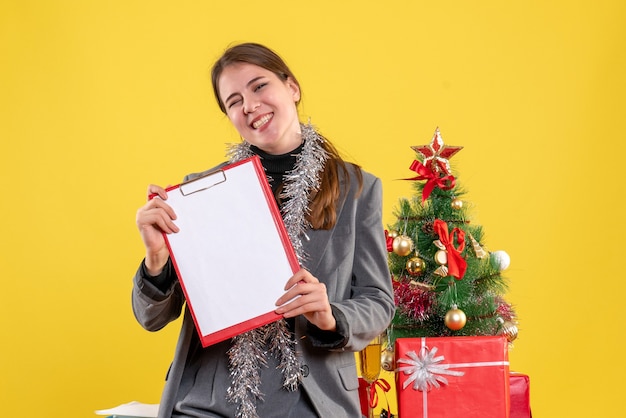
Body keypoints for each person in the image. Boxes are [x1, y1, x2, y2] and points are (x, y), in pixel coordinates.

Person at [132, 42, 395, 418]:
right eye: (234, 101)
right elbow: (151, 318)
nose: (250, 105)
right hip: (206, 402)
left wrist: (330, 314)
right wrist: (156, 260)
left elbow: (378, 300)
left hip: (311, 400)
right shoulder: (199, 194)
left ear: (292, 87)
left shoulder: (357, 188)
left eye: (259, 86)